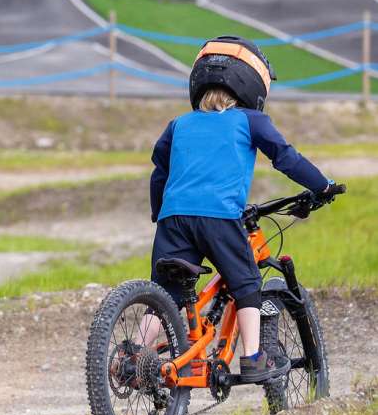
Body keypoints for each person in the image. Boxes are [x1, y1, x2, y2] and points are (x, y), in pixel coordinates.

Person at [142, 36, 333, 383]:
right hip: (218, 217)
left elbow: (160, 172)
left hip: (173, 220)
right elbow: (286, 157)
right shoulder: (251, 120)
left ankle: (136, 356)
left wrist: (160, 213)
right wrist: (322, 186)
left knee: (164, 294)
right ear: (252, 84)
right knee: (246, 283)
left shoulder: (179, 124)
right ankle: (253, 358)